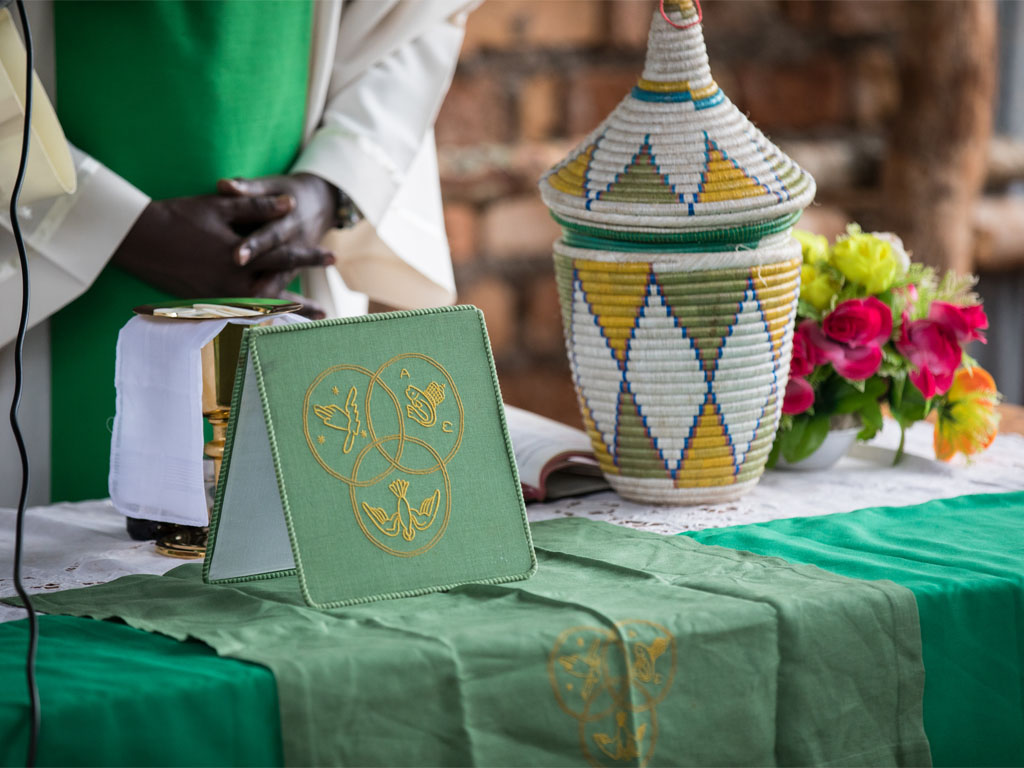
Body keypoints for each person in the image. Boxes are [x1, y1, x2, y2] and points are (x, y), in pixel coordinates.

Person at [0, 0, 471, 504]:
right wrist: (105, 221)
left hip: (288, 247)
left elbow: (415, 18)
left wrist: (332, 184)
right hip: (38, 288)